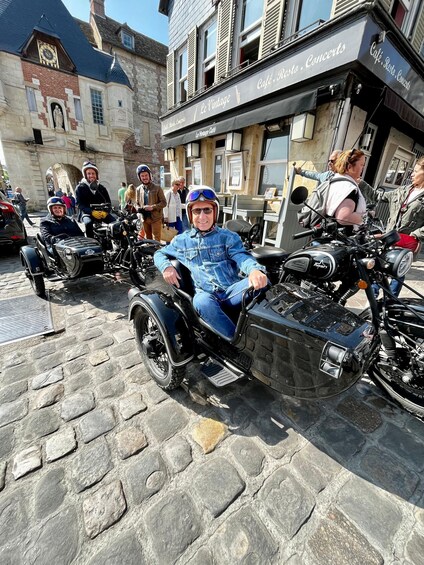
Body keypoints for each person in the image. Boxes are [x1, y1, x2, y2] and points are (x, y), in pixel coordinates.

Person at [154, 187, 268, 339]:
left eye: (207, 210)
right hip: (206, 295)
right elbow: (159, 253)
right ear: (190, 214)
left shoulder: (228, 237)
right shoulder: (182, 241)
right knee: (201, 302)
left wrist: (254, 270)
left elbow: (241, 256)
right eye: (197, 211)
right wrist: (166, 267)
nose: (202, 216)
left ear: (215, 212)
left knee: (264, 282)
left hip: (231, 293)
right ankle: (235, 343)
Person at [374, 156, 424, 297]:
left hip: (406, 243)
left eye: (415, 171)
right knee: (378, 269)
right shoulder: (403, 190)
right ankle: (373, 302)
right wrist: (360, 184)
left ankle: (390, 302)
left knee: (397, 275)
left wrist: (416, 234)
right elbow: (377, 196)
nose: (412, 174)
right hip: (389, 240)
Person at [325, 149, 368, 232]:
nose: (363, 168)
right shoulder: (349, 188)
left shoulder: (334, 180)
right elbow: (344, 217)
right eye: (361, 165)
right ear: (349, 167)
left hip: (325, 236)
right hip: (339, 241)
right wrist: (367, 216)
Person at [75, 161, 114, 238]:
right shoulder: (80, 188)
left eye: (93, 173)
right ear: (85, 175)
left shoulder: (102, 188)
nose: (91, 175)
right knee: (88, 224)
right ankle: (92, 243)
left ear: (96, 175)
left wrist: (106, 212)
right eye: (89, 174)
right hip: (87, 213)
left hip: (102, 213)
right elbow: (80, 204)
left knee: (115, 223)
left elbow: (108, 202)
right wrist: (91, 212)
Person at [135, 164, 166, 241]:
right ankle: (150, 253)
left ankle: (157, 253)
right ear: (139, 177)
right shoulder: (138, 189)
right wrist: (138, 208)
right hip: (144, 218)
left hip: (156, 218)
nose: (144, 177)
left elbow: (164, 202)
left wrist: (153, 207)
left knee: (156, 239)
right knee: (148, 238)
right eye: (142, 176)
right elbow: (136, 203)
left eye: (146, 175)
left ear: (150, 175)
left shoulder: (157, 188)